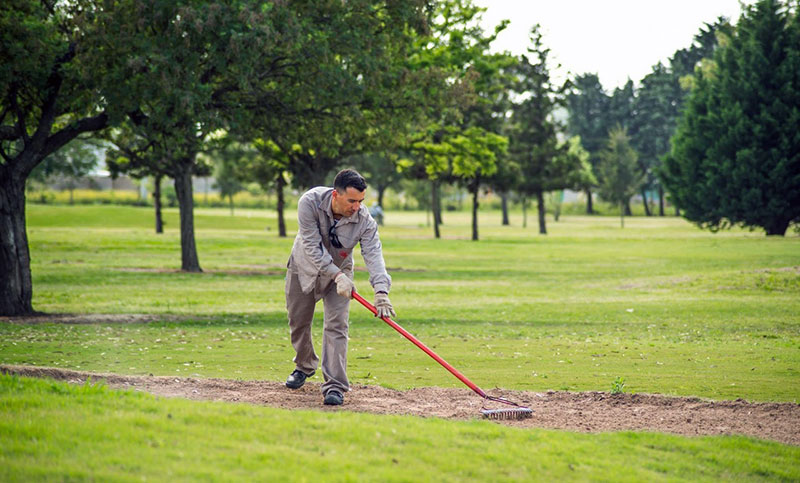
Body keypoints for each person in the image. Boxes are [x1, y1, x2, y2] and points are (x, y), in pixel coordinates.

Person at [284, 168, 396, 406]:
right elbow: (312, 246)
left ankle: (335, 386)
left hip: (342, 276)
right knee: (298, 322)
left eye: (361, 201)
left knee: (337, 326)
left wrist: (381, 292)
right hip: (303, 267)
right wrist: (335, 275)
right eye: (352, 201)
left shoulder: (365, 221)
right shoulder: (309, 202)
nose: (357, 207)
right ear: (336, 194)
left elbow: (374, 255)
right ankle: (304, 365)